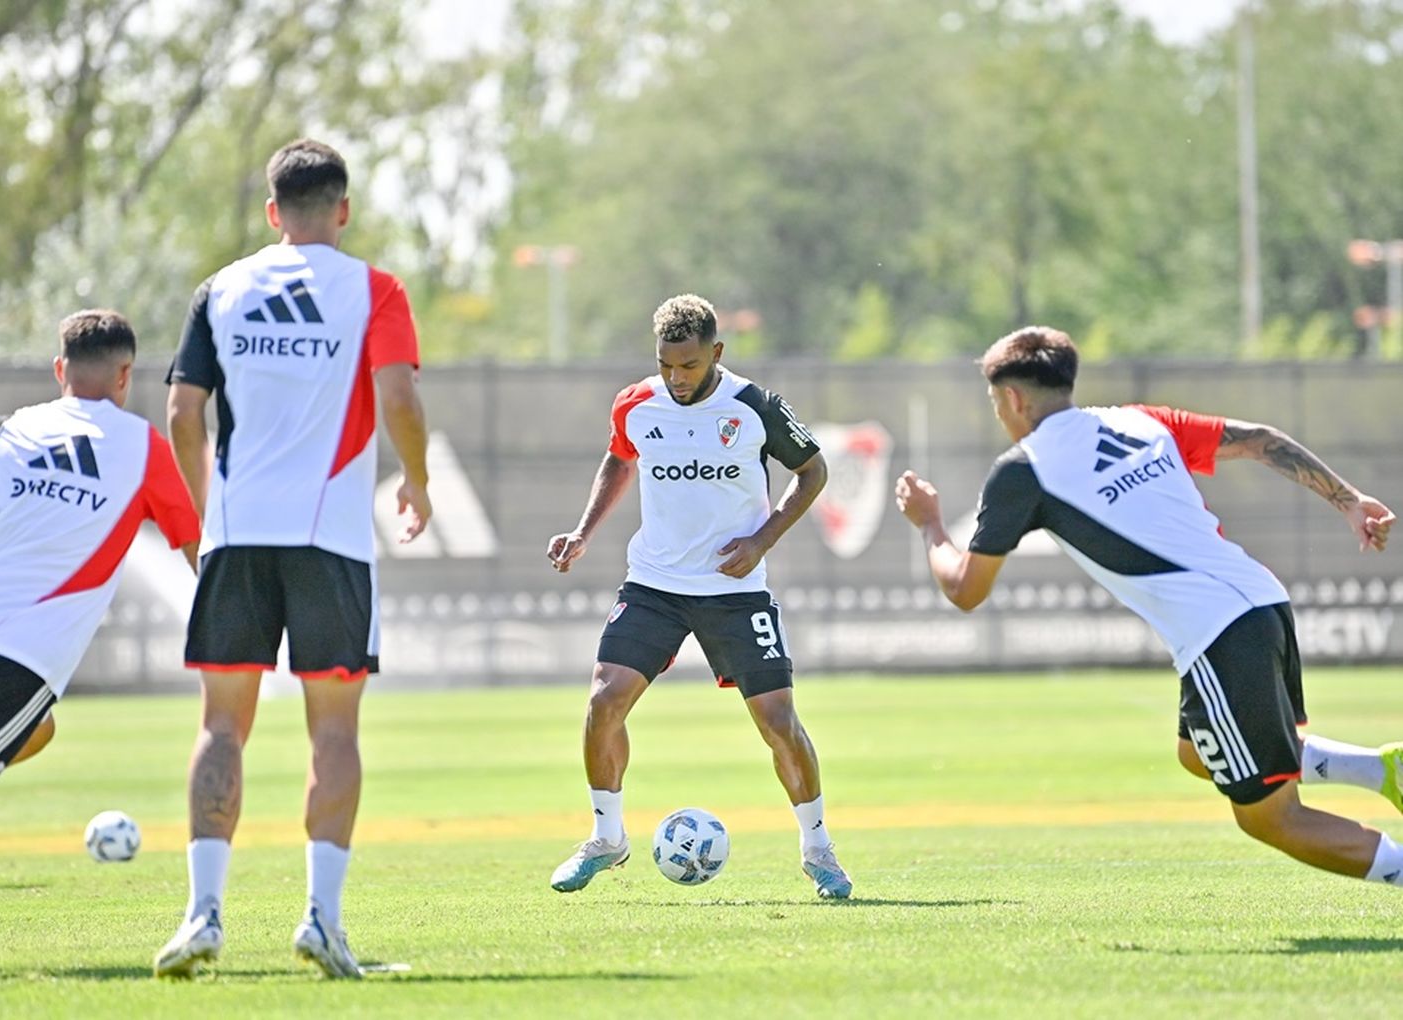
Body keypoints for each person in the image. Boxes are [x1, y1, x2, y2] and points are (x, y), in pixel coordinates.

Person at [895, 325, 1403, 887]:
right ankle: (1381, 771)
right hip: (1261, 600)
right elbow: (1260, 439)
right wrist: (1349, 501)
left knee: (1272, 818)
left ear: (1013, 398)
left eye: (996, 403)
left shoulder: (1024, 469)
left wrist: (930, 524)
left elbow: (966, 589)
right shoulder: (1139, 419)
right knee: (1197, 753)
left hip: (1220, 634)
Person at [155, 139, 431, 980]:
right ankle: (322, 921)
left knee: (220, 725)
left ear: (272, 212)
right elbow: (399, 397)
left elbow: (180, 413)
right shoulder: (374, 288)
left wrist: (214, 517)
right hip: (332, 539)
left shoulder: (223, 288)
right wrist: (418, 483)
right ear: (341, 210)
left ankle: (202, 915)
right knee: (335, 729)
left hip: (237, 537)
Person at [545, 293, 852, 899]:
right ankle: (607, 838)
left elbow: (812, 471)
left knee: (779, 723)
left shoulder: (754, 406)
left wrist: (761, 542)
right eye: (665, 364)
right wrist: (583, 532)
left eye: (687, 365)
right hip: (654, 584)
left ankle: (819, 851)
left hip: (734, 591)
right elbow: (619, 461)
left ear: (716, 352)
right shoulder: (636, 403)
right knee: (604, 699)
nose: (676, 378)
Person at [0, 309, 200, 838]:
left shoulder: (4, 427)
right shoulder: (145, 448)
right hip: (14, 656)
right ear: (126, 374)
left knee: (36, 729)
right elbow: (198, 549)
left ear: (60, 368)